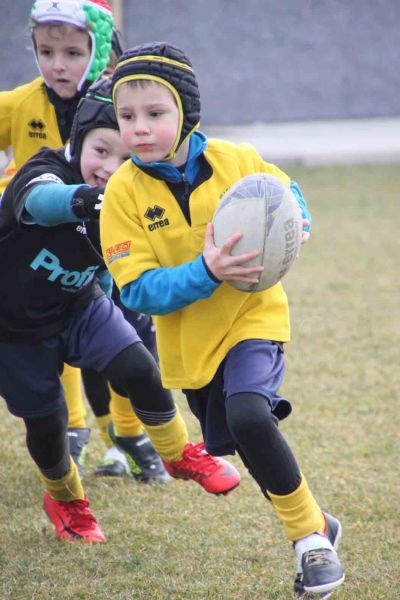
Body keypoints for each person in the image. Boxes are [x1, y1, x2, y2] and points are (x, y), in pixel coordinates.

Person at [100, 42, 345, 597]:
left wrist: (297, 217)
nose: (139, 128)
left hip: (254, 315)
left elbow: (285, 189)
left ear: (186, 111)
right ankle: (321, 523)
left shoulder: (236, 160)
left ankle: (309, 540)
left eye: (155, 114)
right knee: (238, 436)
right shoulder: (121, 193)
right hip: (192, 347)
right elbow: (137, 288)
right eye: (127, 116)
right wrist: (207, 269)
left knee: (252, 416)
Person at [0, 76, 240, 543]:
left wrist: (118, 304)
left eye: (127, 159)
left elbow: (111, 259)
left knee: (139, 367)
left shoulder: (133, 196)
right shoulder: (46, 168)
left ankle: (176, 453)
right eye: (101, 151)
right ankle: (66, 496)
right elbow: (41, 203)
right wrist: (94, 201)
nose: (112, 168)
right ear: (77, 142)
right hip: (12, 329)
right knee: (47, 424)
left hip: (78, 305)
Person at [0, 0, 168, 481]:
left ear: (97, 54)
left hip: (105, 248)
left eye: (72, 52)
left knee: (126, 334)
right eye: (46, 51)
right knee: (54, 338)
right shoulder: (20, 104)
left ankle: (129, 435)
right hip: (35, 255)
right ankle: (74, 432)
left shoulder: (121, 105)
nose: (58, 64)